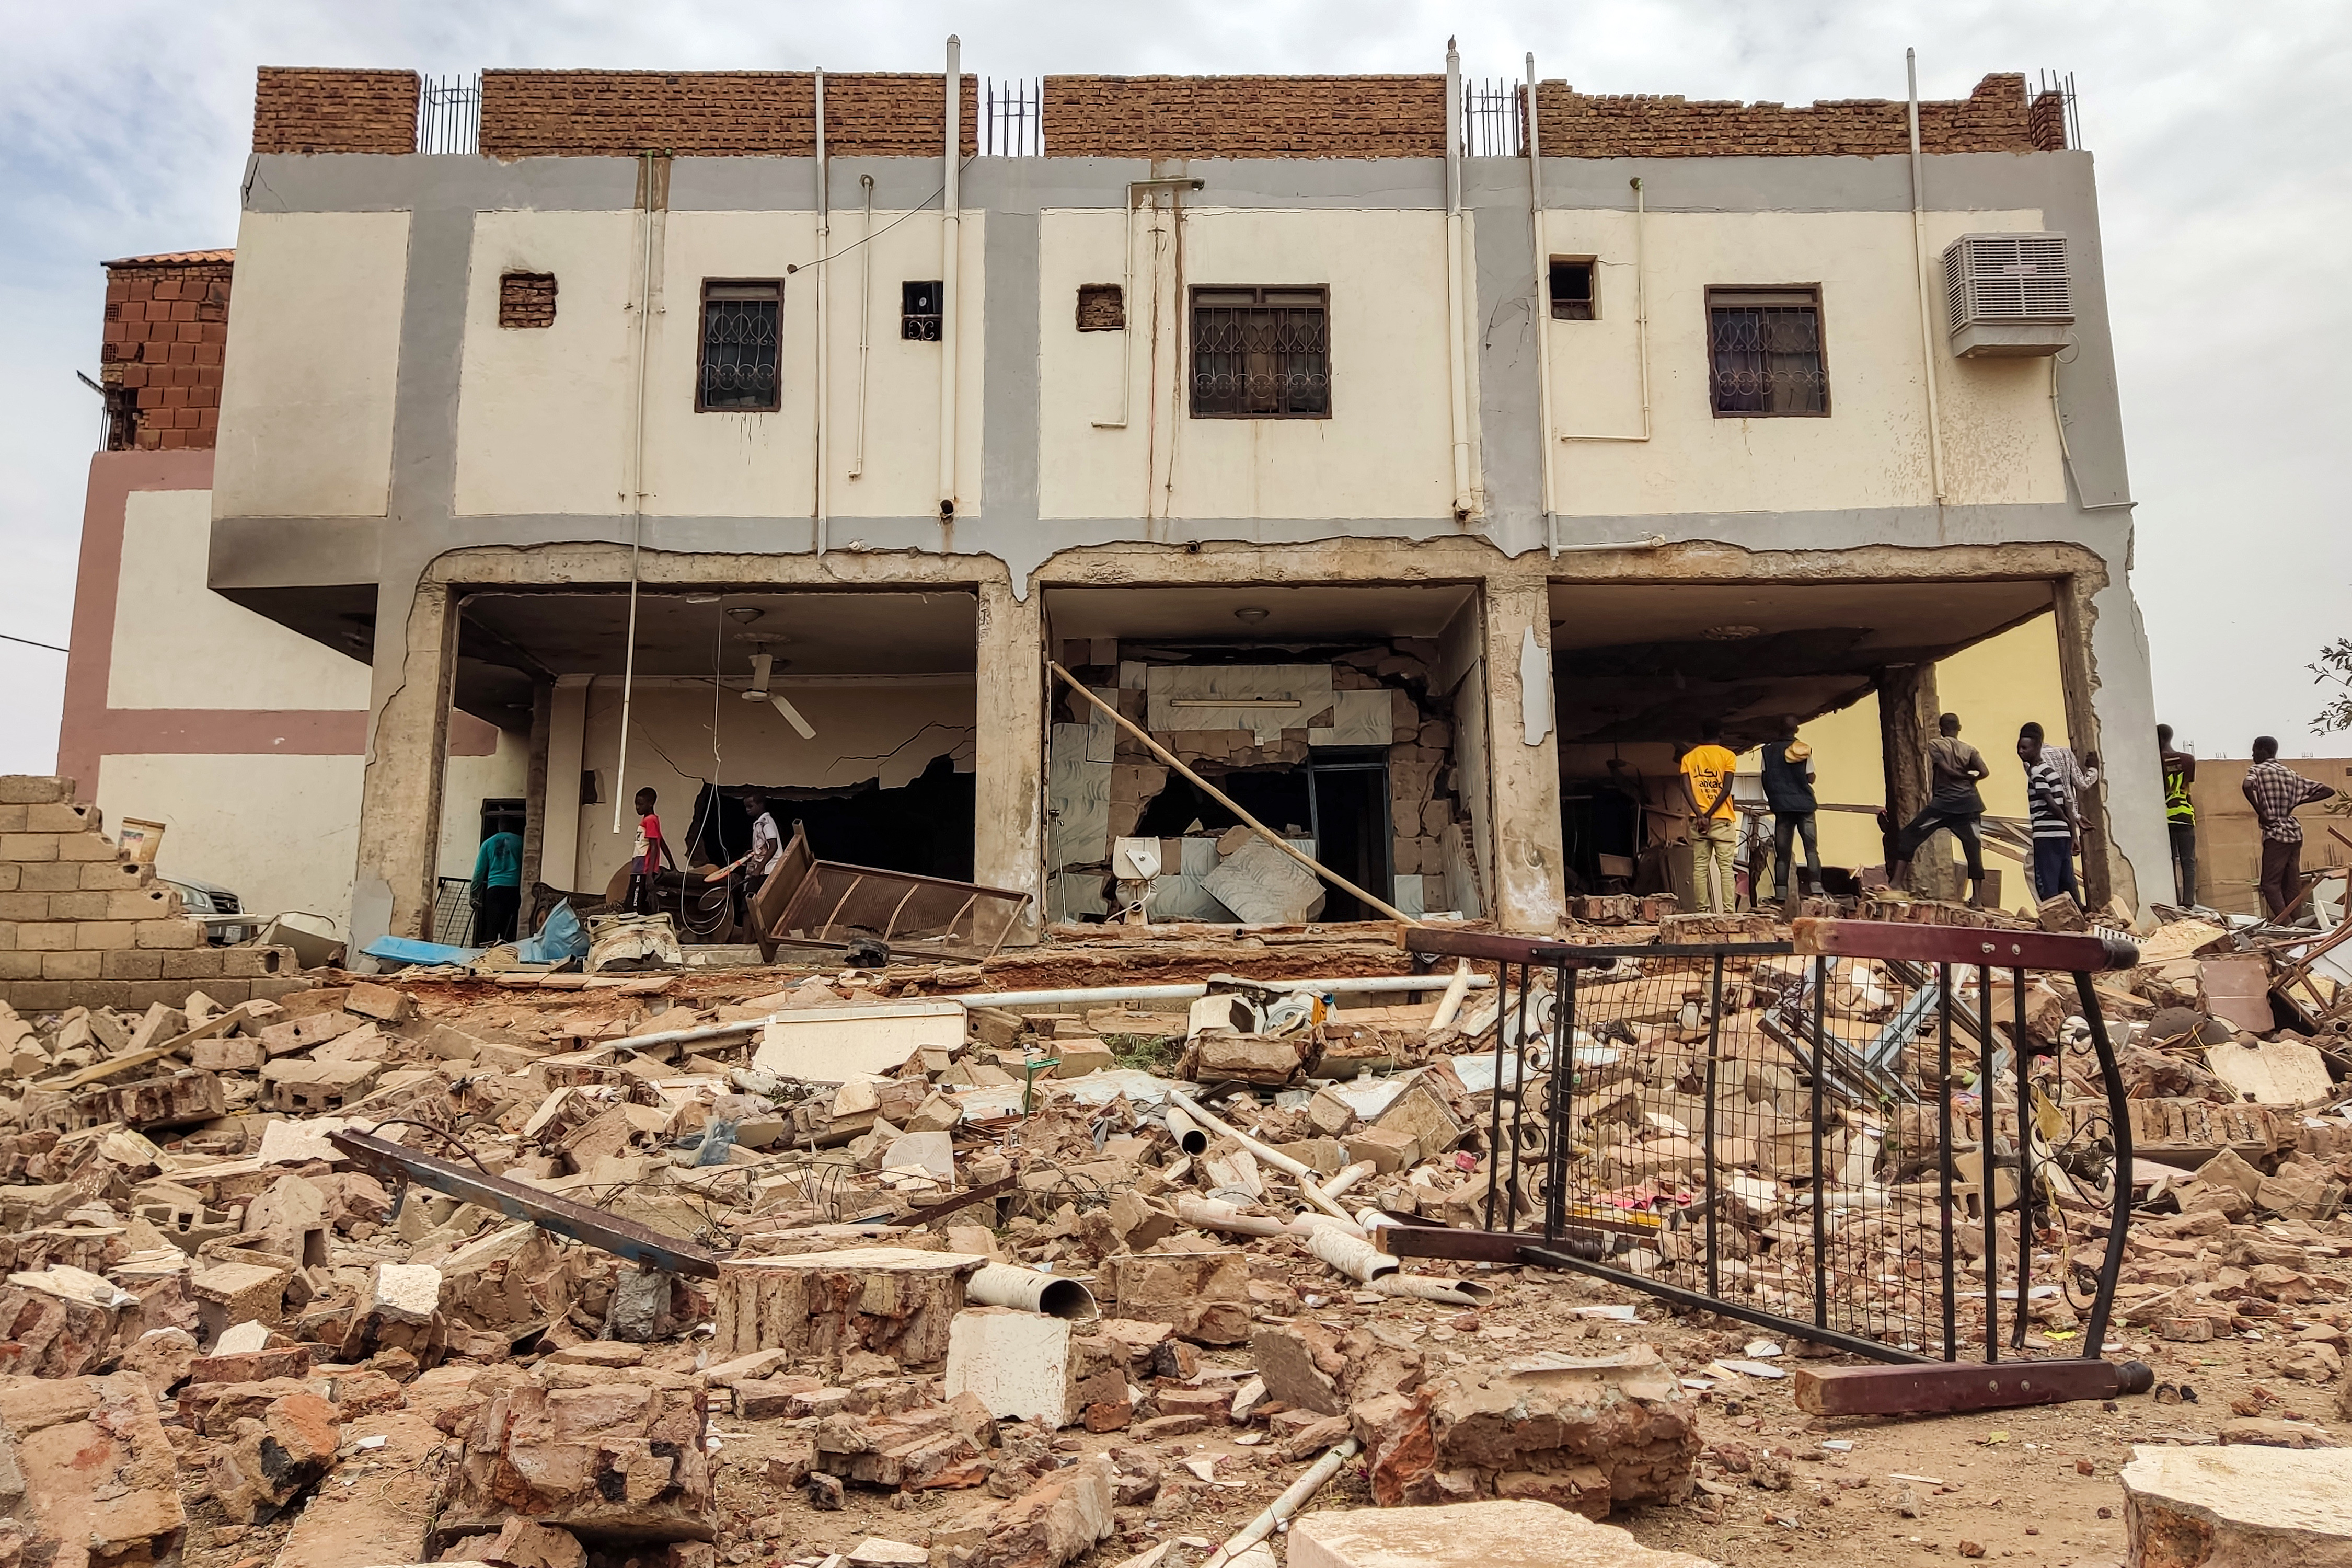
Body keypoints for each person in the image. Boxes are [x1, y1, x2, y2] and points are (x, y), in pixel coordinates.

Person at [1889, 712, 1990, 906]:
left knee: (1910, 836)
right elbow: (1985, 772)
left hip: (1943, 805)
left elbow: (1948, 771)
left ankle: (1896, 883)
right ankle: (1977, 900)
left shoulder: (1936, 745)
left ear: (1941, 728)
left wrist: (1961, 777)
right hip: (1969, 806)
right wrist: (1972, 779)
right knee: (1973, 849)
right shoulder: (1970, 750)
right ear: (1959, 728)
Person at [2242, 735, 2336, 920]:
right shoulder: (2289, 773)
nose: (2252, 754)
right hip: (2294, 833)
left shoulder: (2258, 770)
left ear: (2264, 750)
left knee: (2269, 884)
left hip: (2276, 833)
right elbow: (2328, 790)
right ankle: (2298, 922)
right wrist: (2299, 801)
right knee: (2291, 883)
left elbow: (2247, 785)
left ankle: (2286, 924)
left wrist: (2262, 812)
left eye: (2255, 749)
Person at [1759, 714, 1824, 907]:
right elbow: (1810, 777)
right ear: (1797, 730)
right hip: (1805, 806)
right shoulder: (1803, 749)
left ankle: (1780, 895)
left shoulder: (1768, 752)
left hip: (1782, 807)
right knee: (1811, 850)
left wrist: (1775, 799)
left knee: (1783, 853)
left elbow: (1765, 779)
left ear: (1778, 729)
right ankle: (1817, 890)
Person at [1679, 720, 1740, 913]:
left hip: (1698, 822)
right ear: (1721, 733)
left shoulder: (1689, 757)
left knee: (1700, 868)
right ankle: (1729, 912)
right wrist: (1709, 815)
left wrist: (1700, 816)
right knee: (1726, 869)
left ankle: (1703, 912)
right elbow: (1726, 789)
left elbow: (1685, 788)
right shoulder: (1728, 756)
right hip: (1722, 819)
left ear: (1701, 734)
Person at [2018, 722, 2081, 905]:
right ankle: (2079, 915)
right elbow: (2068, 803)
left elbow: (2052, 804)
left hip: (2046, 836)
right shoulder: (2052, 772)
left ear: (2037, 747)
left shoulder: (2036, 772)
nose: (2021, 752)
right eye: (2019, 748)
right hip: (2062, 836)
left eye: (2025, 748)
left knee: (2048, 884)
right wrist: (2072, 832)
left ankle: (2057, 920)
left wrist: (2064, 819)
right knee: (2067, 880)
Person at [2158, 723, 2198, 906]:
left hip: (2164, 816)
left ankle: (2173, 899)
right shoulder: (2188, 760)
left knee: (2169, 862)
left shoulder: (2155, 761)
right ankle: (2188, 901)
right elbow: (2187, 786)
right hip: (2185, 814)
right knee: (2188, 861)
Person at [469, 824, 523, 945]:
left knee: (492, 927)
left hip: (494, 889)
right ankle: (508, 954)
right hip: (514, 889)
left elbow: (479, 871)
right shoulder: (521, 841)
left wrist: (474, 895)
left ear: (499, 826)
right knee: (510, 930)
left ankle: (488, 955)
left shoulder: (488, 843)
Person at [627, 787, 676, 916]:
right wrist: (673, 865)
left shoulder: (650, 821)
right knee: (636, 903)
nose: (637, 807)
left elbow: (655, 847)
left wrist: (649, 875)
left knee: (634, 907)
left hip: (643, 869)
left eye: (641, 804)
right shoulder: (648, 821)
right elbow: (662, 843)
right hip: (638, 867)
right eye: (636, 804)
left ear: (651, 804)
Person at [744, 793, 783, 880]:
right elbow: (763, 844)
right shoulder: (759, 823)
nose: (748, 809)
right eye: (746, 807)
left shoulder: (766, 823)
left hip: (769, 868)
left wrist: (758, 869)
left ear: (761, 805)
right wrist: (755, 851)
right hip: (763, 867)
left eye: (751, 806)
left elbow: (773, 847)